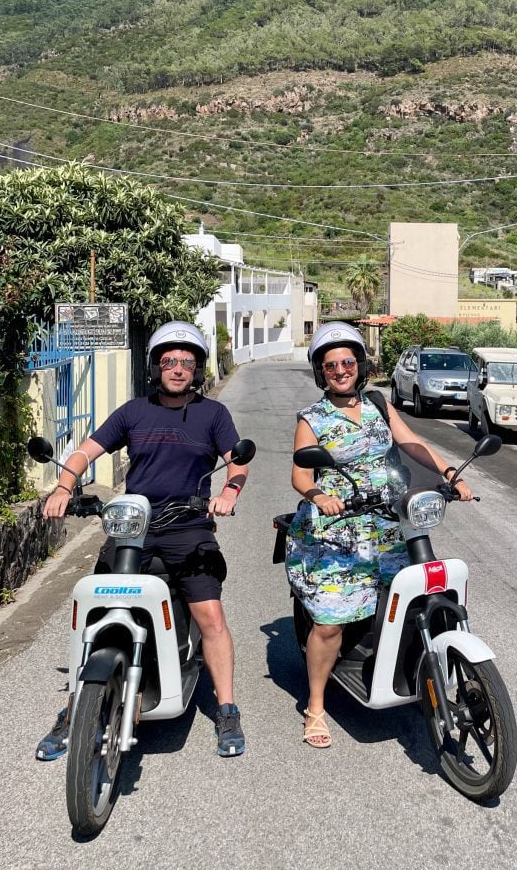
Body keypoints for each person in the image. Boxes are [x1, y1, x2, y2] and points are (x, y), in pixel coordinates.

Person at [40, 321, 250, 758]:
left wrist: (229, 492)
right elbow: (85, 450)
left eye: (186, 362)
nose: (177, 369)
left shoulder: (212, 414)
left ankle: (227, 707)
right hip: (134, 526)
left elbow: (236, 462)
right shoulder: (133, 411)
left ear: (197, 369)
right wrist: (64, 487)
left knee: (210, 614)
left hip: (188, 527)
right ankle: (73, 707)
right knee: (96, 611)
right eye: (169, 361)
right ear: (156, 366)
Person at [286, 322, 474, 748]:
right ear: (321, 371)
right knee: (331, 622)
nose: (340, 370)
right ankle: (315, 706)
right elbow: (299, 472)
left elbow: (410, 443)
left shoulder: (376, 403)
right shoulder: (313, 418)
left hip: (388, 521)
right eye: (331, 365)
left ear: (359, 364)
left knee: (414, 597)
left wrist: (448, 474)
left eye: (347, 361)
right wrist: (318, 495)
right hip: (338, 529)